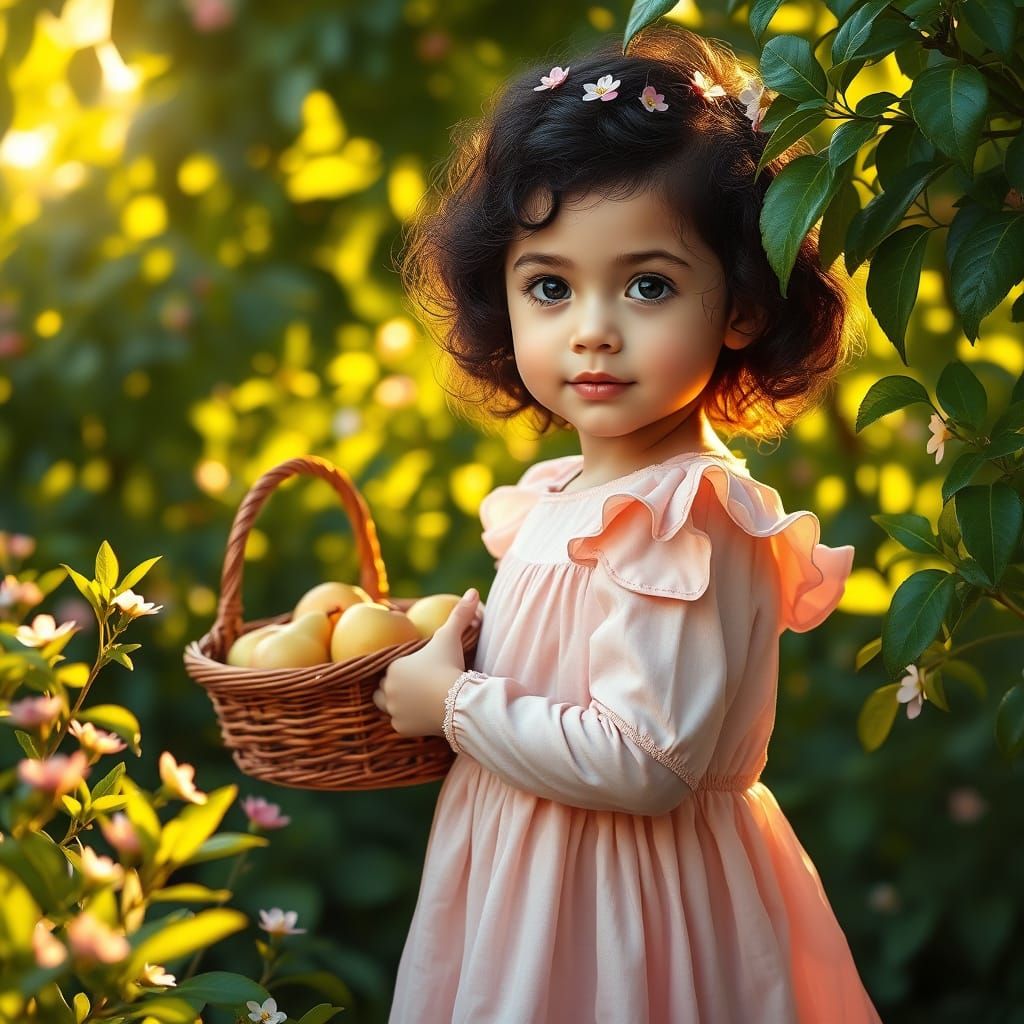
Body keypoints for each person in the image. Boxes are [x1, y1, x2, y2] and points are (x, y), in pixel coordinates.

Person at [372, 21, 881, 1024]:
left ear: (737, 304)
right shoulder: (559, 494)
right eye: (550, 286)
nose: (592, 327)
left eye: (646, 284)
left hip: (629, 906)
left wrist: (460, 703)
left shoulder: (687, 512)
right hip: (524, 885)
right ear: (502, 298)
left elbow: (644, 763)